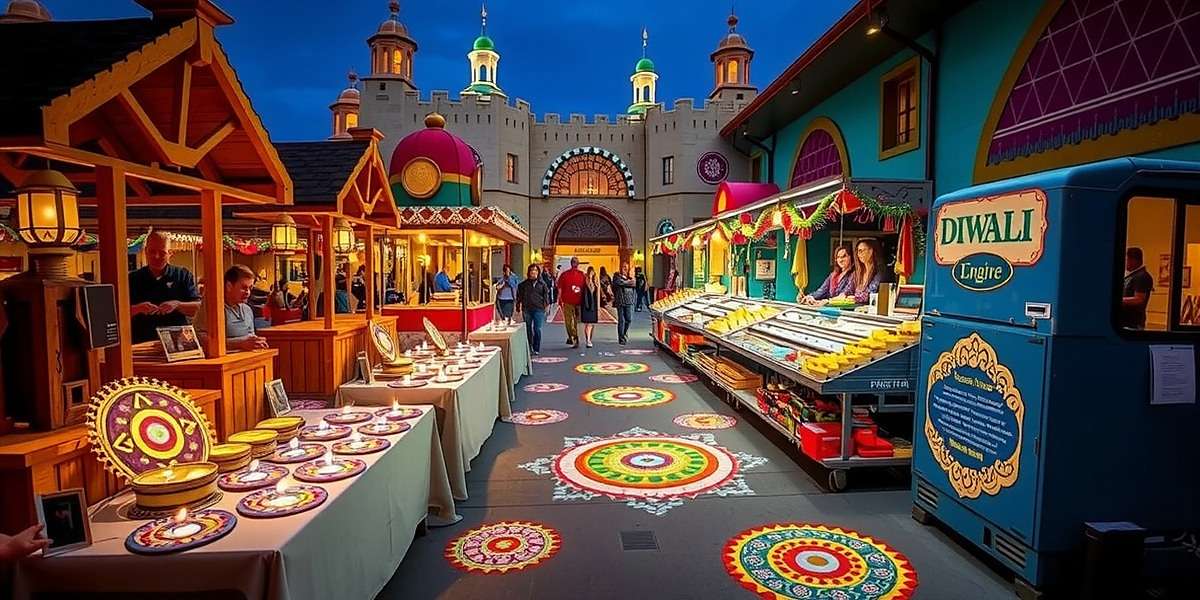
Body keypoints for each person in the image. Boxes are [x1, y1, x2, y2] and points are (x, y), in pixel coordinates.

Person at [128, 229, 201, 343]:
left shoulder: (183, 275)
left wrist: (177, 305)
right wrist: (139, 308)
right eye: (152, 251)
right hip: (141, 344)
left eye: (162, 253)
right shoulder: (132, 278)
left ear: (170, 253)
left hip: (178, 343)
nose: (156, 256)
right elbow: (119, 314)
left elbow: (198, 309)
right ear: (145, 251)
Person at [194, 264, 269, 351]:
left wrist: (257, 342)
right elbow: (200, 339)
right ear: (229, 286)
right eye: (244, 288)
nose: (248, 292)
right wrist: (239, 344)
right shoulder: (213, 308)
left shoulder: (247, 310)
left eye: (250, 288)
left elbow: (250, 337)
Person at [515, 264, 550, 355]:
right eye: (532, 270)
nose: (533, 272)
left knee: (537, 329)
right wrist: (518, 308)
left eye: (535, 270)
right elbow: (519, 297)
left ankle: (536, 347)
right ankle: (529, 346)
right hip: (527, 309)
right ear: (529, 272)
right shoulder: (523, 285)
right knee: (528, 328)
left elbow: (546, 296)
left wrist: (546, 306)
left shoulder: (542, 284)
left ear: (538, 272)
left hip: (539, 309)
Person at [556, 257, 587, 348]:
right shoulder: (581, 275)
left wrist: (560, 299)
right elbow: (560, 288)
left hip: (574, 301)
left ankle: (573, 336)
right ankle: (573, 336)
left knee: (571, 321)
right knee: (572, 321)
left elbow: (560, 288)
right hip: (573, 301)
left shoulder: (566, 275)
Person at [1122, 247, 1154, 329]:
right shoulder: (1132, 276)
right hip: (1126, 322)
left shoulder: (1142, 276)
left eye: (1126, 259)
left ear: (1133, 260)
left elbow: (1139, 299)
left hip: (1133, 323)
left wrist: (1118, 300)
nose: (1125, 263)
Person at [848, 238, 884, 304]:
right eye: (858, 251)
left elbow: (871, 293)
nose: (859, 254)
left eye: (861, 250)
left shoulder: (880, 271)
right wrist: (843, 295)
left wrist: (855, 298)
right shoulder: (856, 273)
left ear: (871, 251)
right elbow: (848, 290)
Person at [612, 262, 636, 344]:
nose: (625, 268)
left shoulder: (630, 277)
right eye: (623, 267)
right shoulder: (616, 275)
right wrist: (628, 282)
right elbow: (618, 283)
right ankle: (621, 338)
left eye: (626, 267)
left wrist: (626, 282)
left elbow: (634, 284)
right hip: (620, 301)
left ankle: (625, 333)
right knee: (621, 320)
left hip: (629, 301)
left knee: (629, 319)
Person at [580, 266, 600, 347]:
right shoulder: (584, 281)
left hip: (593, 306)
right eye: (590, 272)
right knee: (588, 324)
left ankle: (589, 339)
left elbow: (598, 295)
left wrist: (598, 307)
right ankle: (588, 340)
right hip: (586, 305)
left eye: (593, 272)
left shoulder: (596, 283)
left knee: (591, 324)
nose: (592, 274)